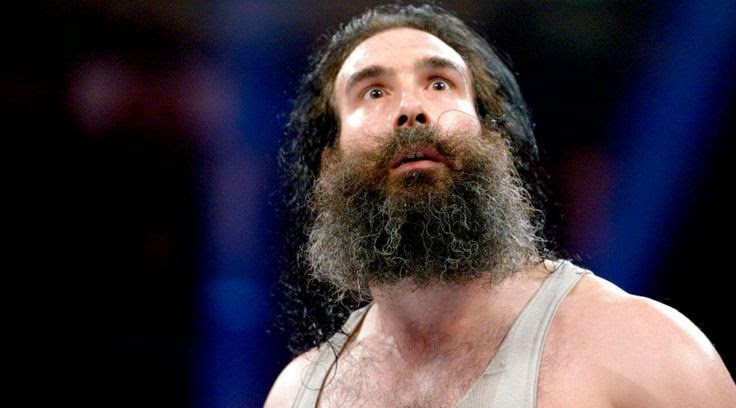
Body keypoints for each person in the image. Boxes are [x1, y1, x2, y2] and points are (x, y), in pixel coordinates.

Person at [265, 4, 736, 407]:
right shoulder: (300, 394)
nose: (411, 108)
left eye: (439, 84)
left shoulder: (640, 348)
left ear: (494, 141)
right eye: (373, 92)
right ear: (330, 162)